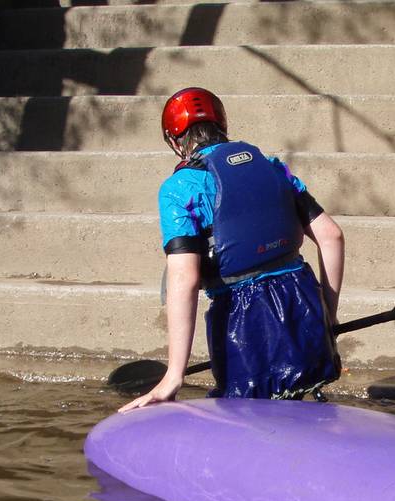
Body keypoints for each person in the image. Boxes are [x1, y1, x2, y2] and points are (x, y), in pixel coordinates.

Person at [120, 87, 344, 412]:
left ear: (173, 141)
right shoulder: (272, 167)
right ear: (222, 125)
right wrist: (328, 315)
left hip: (245, 319)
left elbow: (184, 278)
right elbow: (332, 236)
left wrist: (174, 375)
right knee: (297, 411)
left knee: (252, 422)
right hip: (303, 303)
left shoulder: (179, 188)